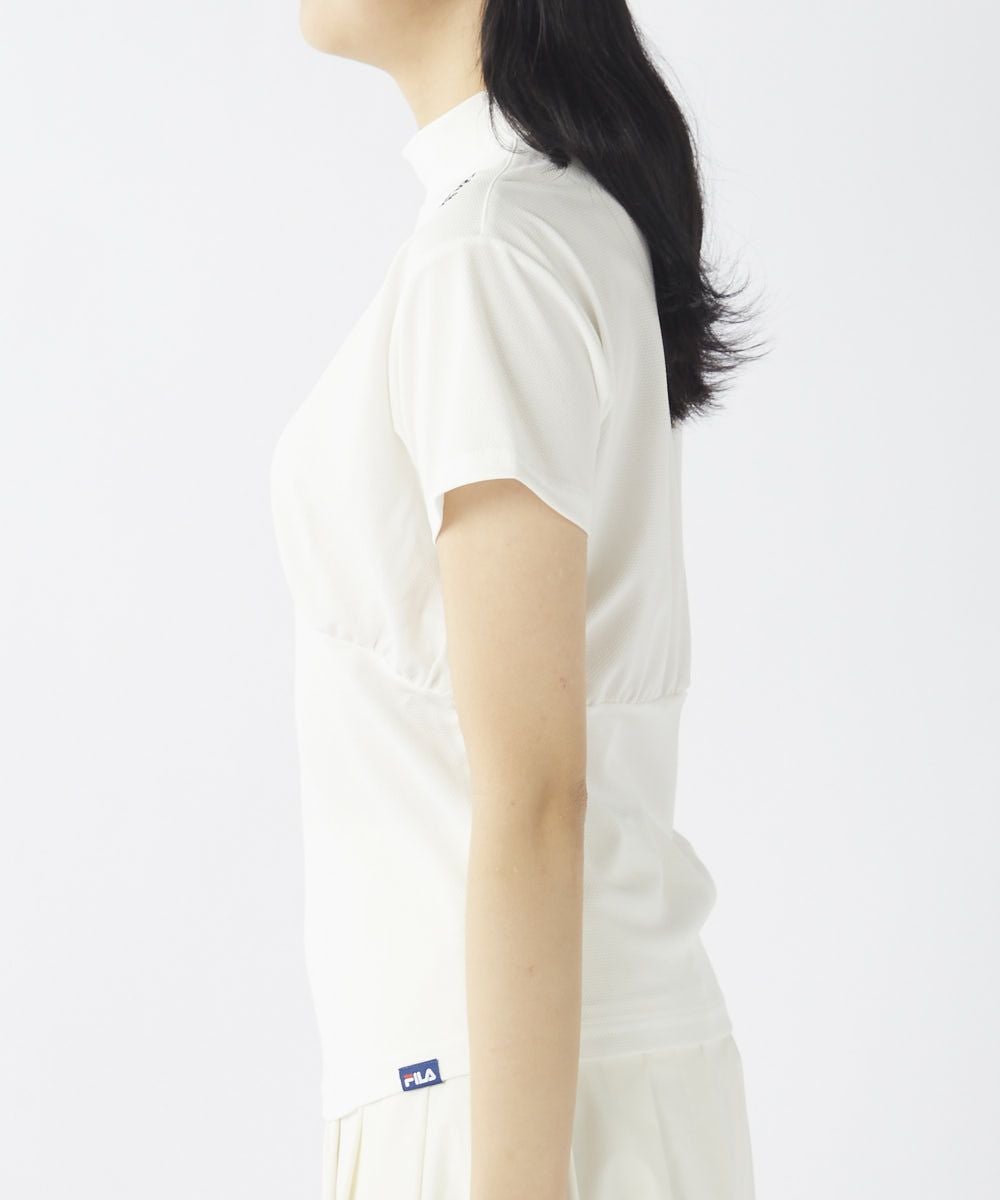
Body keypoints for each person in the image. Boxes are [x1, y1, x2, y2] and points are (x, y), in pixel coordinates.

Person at [272, 1, 767, 1196]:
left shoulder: (487, 254)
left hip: (500, 1097)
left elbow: (538, 793)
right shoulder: (537, 226)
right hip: (547, 1076)